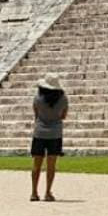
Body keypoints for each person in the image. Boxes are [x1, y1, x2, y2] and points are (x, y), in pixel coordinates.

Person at [30, 73, 68, 202]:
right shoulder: (63, 98)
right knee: (51, 165)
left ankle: (34, 192)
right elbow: (63, 115)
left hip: (39, 132)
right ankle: (47, 192)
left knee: (36, 164)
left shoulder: (37, 98)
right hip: (55, 133)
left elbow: (36, 114)